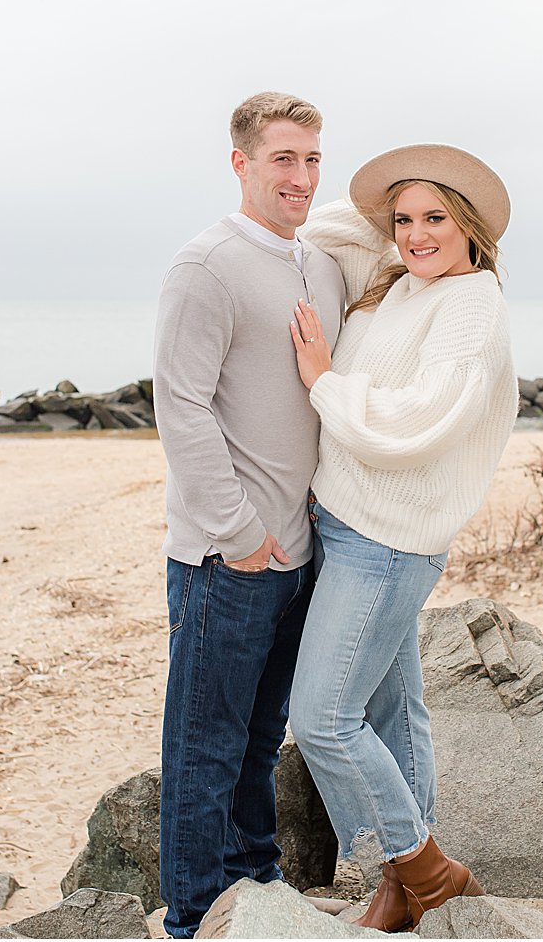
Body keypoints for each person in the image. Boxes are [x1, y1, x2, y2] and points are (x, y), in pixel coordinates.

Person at [288, 145, 518, 932]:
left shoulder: (471, 300)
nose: (416, 235)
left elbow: (421, 419)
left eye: (436, 219)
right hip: (344, 521)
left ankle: (429, 868)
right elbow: (326, 231)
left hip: (386, 541)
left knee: (321, 717)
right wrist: (388, 203)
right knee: (394, 713)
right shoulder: (403, 280)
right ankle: (405, 887)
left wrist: (322, 378)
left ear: (472, 227)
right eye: (405, 218)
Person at [151, 92, 347, 938]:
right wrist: (237, 535)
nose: (300, 176)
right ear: (241, 163)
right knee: (205, 749)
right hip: (225, 558)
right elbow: (181, 406)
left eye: (310, 158)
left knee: (262, 740)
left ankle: (258, 889)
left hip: (298, 551)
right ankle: (195, 917)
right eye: (282, 158)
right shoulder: (207, 266)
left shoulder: (318, 263)